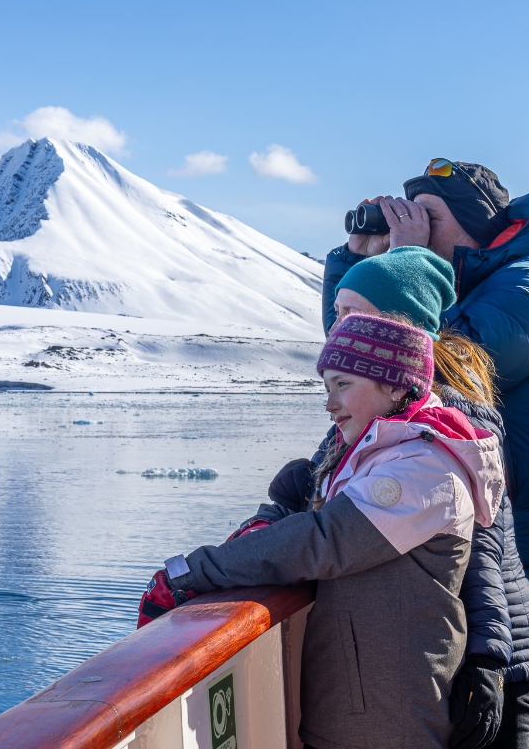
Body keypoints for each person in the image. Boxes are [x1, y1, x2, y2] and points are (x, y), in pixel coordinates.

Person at [322, 160, 529, 749]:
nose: (417, 226)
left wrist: (408, 263)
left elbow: (430, 367)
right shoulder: (472, 286)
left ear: (477, 228)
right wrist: (359, 262)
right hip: (489, 557)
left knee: (523, 727)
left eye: (431, 217)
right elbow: (355, 361)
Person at [145, 312, 505, 749]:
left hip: (391, 717)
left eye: (344, 385)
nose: (329, 403)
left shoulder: (423, 468)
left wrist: (191, 571)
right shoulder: (375, 453)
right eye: (326, 386)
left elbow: (322, 540)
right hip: (361, 704)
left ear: (395, 385)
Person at [270, 247, 529, 749]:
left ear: (396, 321)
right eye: (336, 313)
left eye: (350, 313)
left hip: (502, 659)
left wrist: (489, 660)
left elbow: (484, 545)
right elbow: (321, 487)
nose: (337, 325)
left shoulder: (448, 410)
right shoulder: (379, 408)